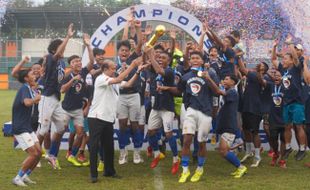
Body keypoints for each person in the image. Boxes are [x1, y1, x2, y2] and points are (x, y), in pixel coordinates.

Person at [87, 58, 145, 183]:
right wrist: (133, 64)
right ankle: (93, 174)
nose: (115, 70)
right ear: (105, 69)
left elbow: (128, 84)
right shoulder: (101, 78)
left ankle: (109, 171)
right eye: (113, 68)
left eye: (114, 68)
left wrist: (137, 72)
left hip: (108, 118)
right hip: (96, 118)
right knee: (94, 146)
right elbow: (119, 80)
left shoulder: (113, 81)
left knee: (109, 146)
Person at [37, 23, 75, 169]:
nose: (64, 49)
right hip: (47, 97)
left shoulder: (61, 61)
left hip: (56, 98)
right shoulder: (51, 57)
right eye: (62, 47)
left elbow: (58, 77)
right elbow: (58, 53)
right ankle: (35, 155)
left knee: (61, 127)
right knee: (43, 129)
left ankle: (52, 155)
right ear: (55, 49)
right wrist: (68, 37)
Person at [271, 37, 310, 161]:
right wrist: (274, 47)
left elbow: (295, 56)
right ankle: (288, 147)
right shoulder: (283, 69)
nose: (283, 61)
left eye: (285, 59)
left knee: (298, 126)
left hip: (297, 102)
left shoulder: (296, 67)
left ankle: (302, 149)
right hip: (286, 102)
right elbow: (273, 59)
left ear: (292, 61)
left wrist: (290, 44)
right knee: (287, 126)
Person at [144, 47, 180, 174]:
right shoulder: (156, 72)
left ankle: (176, 159)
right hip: (156, 107)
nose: (160, 59)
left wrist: (150, 55)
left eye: (163, 58)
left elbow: (158, 69)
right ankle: (157, 153)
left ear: (169, 61)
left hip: (167, 109)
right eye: (159, 58)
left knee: (169, 134)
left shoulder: (170, 71)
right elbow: (151, 68)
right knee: (151, 132)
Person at [61, 33, 94, 167]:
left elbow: (92, 62)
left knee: (80, 134)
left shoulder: (84, 73)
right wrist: (73, 80)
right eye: (75, 61)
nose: (79, 63)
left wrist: (88, 45)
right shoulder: (68, 75)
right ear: (70, 65)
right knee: (60, 131)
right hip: (65, 109)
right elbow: (62, 89)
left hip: (78, 110)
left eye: (79, 61)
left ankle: (72, 155)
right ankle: (51, 153)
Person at [209, 74, 248, 178]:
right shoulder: (229, 92)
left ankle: (241, 167)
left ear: (233, 82)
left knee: (223, 151)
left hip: (230, 126)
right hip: (225, 125)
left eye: (227, 79)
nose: (224, 81)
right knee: (223, 151)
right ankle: (239, 166)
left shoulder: (232, 92)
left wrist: (209, 78)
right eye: (224, 79)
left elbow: (218, 91)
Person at [117, 20, 144, 165]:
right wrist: (126, 26)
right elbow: (123, 40)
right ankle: (123, 152)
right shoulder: (114, 62)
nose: (124, 52)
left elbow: (139, 44)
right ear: (118, 52)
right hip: (120, 96)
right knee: (121, 125)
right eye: (122, 50)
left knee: (134, 125)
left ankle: (137, 152)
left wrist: (138, 29)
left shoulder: (134, 58)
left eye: (127, 50)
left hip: (134, 95)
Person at [12, 69, 42, 186]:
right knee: (34, 153)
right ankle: (17, 177)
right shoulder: (24, 88)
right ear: (26, 78)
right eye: (32, 74)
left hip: (27, 126)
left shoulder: (29, 88)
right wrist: (36, 99)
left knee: (39, 153)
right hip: (20, 127)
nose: (35, 76)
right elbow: (27, 103)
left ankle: (25, 176)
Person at [237, 58, 269, 167]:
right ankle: (248, 152)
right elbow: (241, 70)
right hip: (246, 106)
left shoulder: (258, 76)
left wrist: (238, 56)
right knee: (246, 130)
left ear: (264, 69)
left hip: (255, 108)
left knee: (255, 132)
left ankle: (257, 156)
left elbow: (242, 68)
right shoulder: (252, 76)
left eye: (260, 65)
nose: (257, 66)